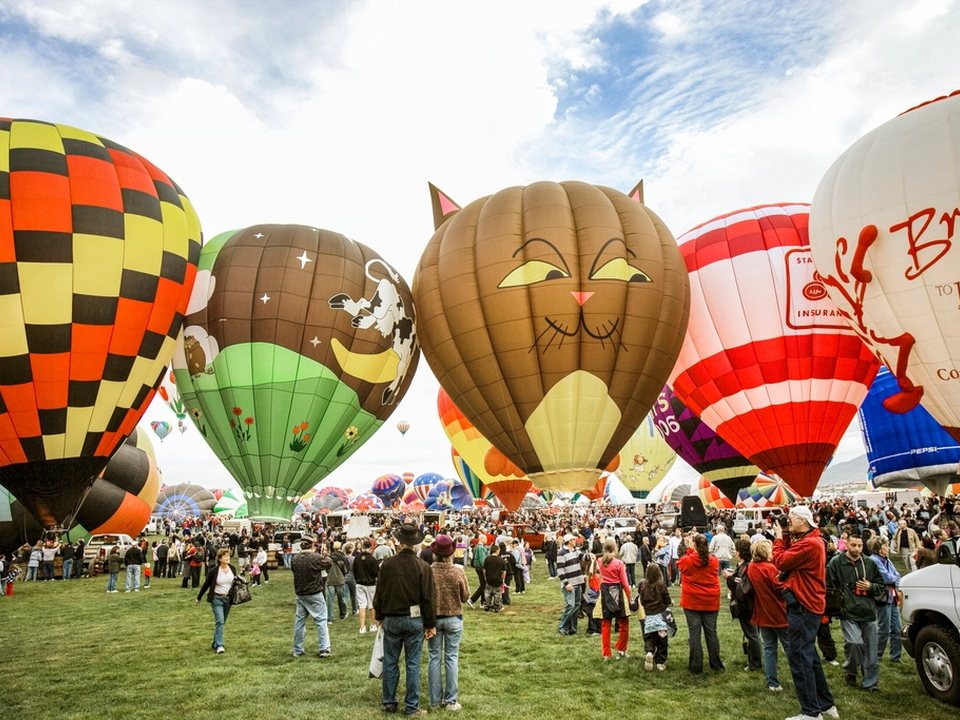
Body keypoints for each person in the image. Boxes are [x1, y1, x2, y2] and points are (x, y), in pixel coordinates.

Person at [773, 505, 839, 720]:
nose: (788, 522)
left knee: (799, 656)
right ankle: (826, 703)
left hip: (803, 605)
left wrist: (779, 538)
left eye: (791, 519)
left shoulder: (809, 544)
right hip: (809, 604)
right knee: (809, 655)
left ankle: (811, 712)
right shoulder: (812, 540)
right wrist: (786, 534)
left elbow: (781, 561)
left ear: (802, 521)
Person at [373, 523, 436, 717]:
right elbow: (428, 598)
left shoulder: (387, 565)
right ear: (416, 544)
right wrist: (431, 624)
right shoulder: (423, 567)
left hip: (392, 618)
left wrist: (379, 615)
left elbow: (379, 593)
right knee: (412, 664)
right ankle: (411, 706)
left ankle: (389, 702)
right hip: (413, 620)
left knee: (390, 661)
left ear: (399, 542)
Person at [827, 533, 884, 691]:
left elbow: (881, 585)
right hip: (848, 612)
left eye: (860, 546)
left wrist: (871, 587)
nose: (857, 549)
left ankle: (870, 683)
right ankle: (850, 671)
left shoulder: (870, 563)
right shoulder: (836, 563)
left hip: (868, 611)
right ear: (846, 544)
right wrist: (836, 607)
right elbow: (829, 587)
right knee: (854, 643)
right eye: (853, 545)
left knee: (871, 651)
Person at [427, 535, 469, 712]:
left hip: (434, 619)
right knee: (451, 657)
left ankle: (435, 700)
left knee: (434, 657)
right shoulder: (457, 571)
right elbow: (465, 596)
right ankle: (451, 700)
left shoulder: (429, 571)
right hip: (453, 617)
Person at [677, 533, 724, 674]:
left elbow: (680, 564)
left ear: (695, 545)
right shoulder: (713, 561)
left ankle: (696, 666)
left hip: (692, 601)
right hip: (710, 600)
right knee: (711, 632)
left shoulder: (688, 560)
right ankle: (716, 664)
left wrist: (690, 550)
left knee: (694, 634)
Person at [747, 539, 789, 692]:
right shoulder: (769, 568)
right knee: (789, 646)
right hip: (778, 611)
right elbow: (779, 587)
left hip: (762, 612)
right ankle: (801, 676)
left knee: (769, 648)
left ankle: (772, 682)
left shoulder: (752, 567)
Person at [290, 538, 333, 658]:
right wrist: (325, 554)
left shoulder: (295, 559)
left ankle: (298, 649)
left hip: (300, 593)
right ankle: (324, 648)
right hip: (315, 593)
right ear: (312, 545)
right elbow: (329, 563)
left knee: (299, 622)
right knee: (321, 620)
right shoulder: (315, 558)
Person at [726, 538, 761, 672]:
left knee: (751, 635)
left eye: (736, 550)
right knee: (751, 634)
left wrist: (729, 578)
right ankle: (752, 660)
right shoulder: (746, 566)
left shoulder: (745, 568)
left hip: (746, 606)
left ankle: (755, 663)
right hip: (749, 605)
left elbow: (740, 587)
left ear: (739, 552)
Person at [196, 548, 238, 654]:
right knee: (220, 621)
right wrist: (199, 597)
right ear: (220, 558)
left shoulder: (232, 569)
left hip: (228, 599)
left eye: (228, 556)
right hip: (217, 599)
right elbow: (206, 584)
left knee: (222, 623)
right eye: (225, 556)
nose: (228, 558)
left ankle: (215, 642)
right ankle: (219, 645)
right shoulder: (214, 571)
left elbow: (235, 583)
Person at [598, 539, 632, 661]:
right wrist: (630, 597)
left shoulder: (600, 561)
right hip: (618, 593)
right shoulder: (619, 563)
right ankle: (621, 649)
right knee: (624, 623)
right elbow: (625, 583)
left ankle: (606, 653)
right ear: (615, 548)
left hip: (605, 593)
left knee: (606, 624)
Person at [639, 562, 673, 671]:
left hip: (649, 617)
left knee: (649, 638)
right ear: (659, 573)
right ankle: (660, 662)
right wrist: (669, 603)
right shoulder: (661, 585)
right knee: (662, 641)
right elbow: (667, 598)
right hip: (661, 618)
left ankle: (649, 652)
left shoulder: (643, 585)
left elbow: (642, 601)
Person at [556, 533, 585, 636]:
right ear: (569, 541)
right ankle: (562, 626)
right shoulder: (561, 553)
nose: (575, 541)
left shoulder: (575, 551)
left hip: (577, 582)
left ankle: (572, 628)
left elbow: (584, 557)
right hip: (570, 584)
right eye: (573, 540)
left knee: (576, 606)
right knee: (571, 606)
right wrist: (566, 583)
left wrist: (591, 555)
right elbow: (560, 570)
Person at [354, 540, 380, 634]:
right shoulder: (372, 559)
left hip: (360, 583)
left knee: (362, 605)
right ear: (370, 548)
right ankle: (372, 625)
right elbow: (377, 573)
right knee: (371, 605)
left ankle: (362, 627)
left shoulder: (357, 558)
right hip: (370, 584)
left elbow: (354, 571)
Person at [482, 543, 506, 613]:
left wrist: (485, 577)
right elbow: (504, 571)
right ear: (497, 551)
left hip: (489, 579)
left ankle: (487, 605)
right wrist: (503, 579)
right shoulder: (501, 560)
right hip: (498, 580)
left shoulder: (487, 559)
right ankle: (496, 607)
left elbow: (484, 569)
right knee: (497, 594)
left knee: (487, 594)